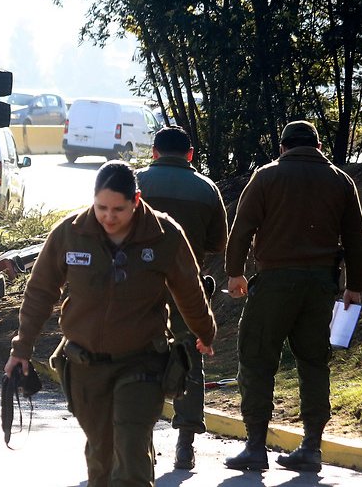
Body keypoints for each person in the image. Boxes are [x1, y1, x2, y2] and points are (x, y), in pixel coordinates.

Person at [5, 160, 216, 487]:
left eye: (118, 208)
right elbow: (40, 292)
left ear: (137, 199)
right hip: (85, 365)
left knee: (130, 454)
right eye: (101, 207)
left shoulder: (164, 234)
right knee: (101, 459)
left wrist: (204, 332)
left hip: (142, 361)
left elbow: (188, 288)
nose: (109, 216)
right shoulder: (71, 233)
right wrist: (22, 348)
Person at [224, 120, 362, 472]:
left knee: (257, 359)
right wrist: (355, 285)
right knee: (314, 363)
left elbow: (242, 226)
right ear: (318, 146)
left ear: (283, 147)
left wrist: (235, 272)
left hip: (273, 282)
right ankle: (312, 447)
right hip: (320, 286)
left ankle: (256, 447)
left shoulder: (267, 176)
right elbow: (355, 237)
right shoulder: (340, 181)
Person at [136, 126, 228, 470]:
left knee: (137, 353)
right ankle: (186, 442)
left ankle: (141, 437)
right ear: (190, 155)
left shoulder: (134, 183)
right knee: (190, 353)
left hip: (138, 284)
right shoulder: (206, 188)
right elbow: (218, 243)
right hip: (185, 284)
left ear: (155, 153)